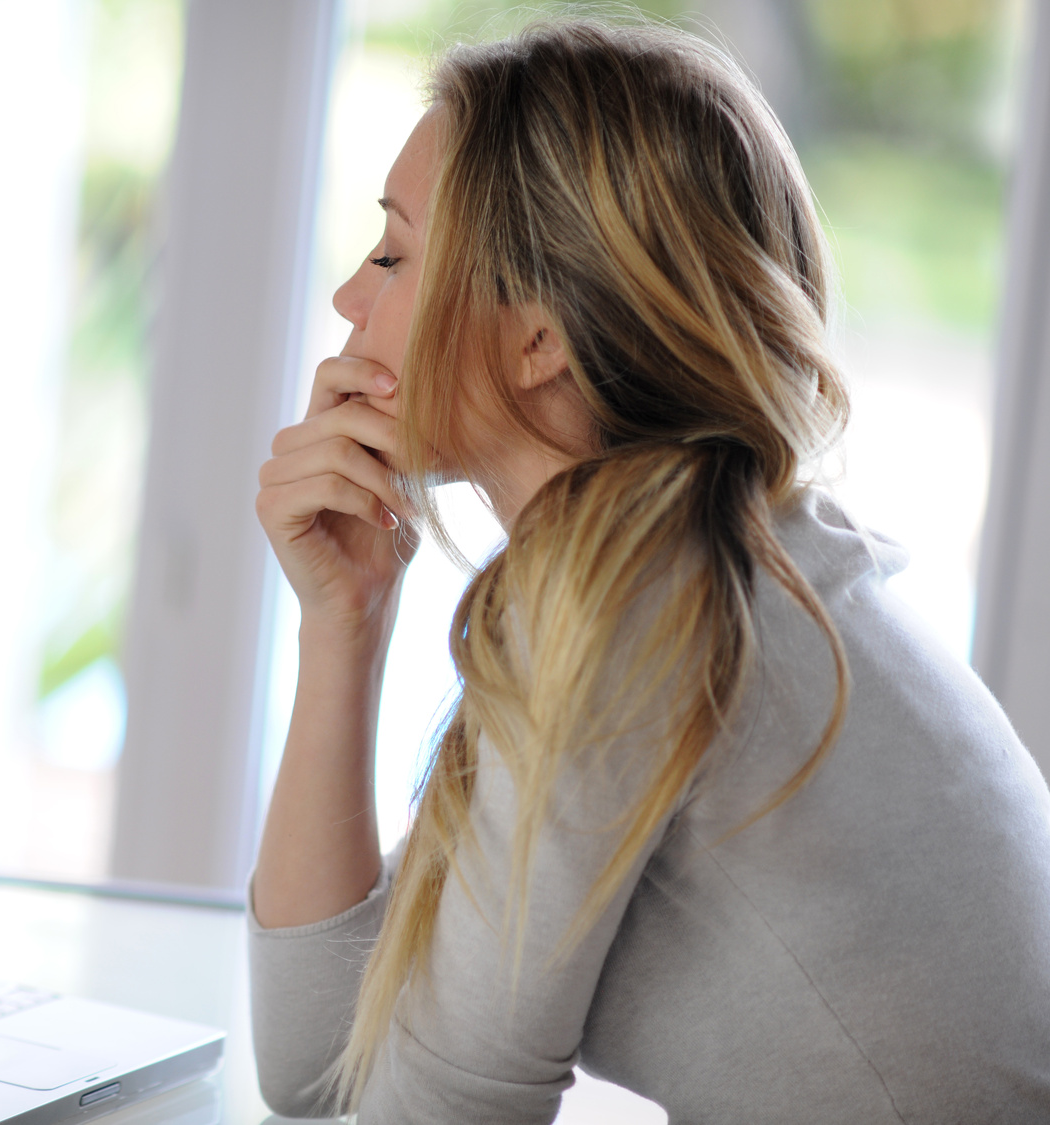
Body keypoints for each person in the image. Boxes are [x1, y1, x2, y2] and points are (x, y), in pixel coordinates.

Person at [249, 17, 1050, 1124]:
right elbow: (319, 1062)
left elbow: (433, 1109)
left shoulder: (632, 596)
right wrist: (341, 626)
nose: (350, 297)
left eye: (392, 253)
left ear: (538, 342)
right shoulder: (700, 553)